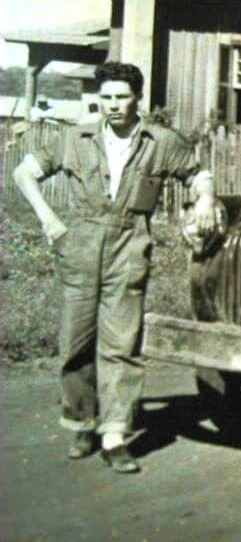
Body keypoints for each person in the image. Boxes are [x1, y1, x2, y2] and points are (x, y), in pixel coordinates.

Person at [13, 62, 220, 473]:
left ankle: (114, 433)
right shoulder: (75, 138)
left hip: (130, 245)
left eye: (121, 97)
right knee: (75, 342)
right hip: (81, 245)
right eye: (106, 97)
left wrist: (206, 199)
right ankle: (82, 421)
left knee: (121, 344)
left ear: (136, 99)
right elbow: (24, 173)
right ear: (98, 99)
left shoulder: (159, 141)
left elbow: (198, 174)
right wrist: (49, 219)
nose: (113, 105)